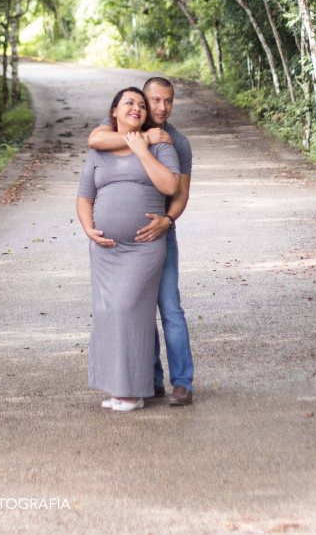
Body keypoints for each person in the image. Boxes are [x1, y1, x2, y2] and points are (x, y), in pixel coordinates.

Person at [88, 76, 194, 406]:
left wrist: (168, 219)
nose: (161, 107)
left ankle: (182, 382)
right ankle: (148, 380)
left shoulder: (176, 141)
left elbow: (181, 192)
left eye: (168, 101)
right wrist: (141, 137)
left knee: (169, 308)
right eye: (154, 101)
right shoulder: (129, 130)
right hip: (120, 246)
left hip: (158, 237)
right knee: (136, 310)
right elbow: (94, 139)